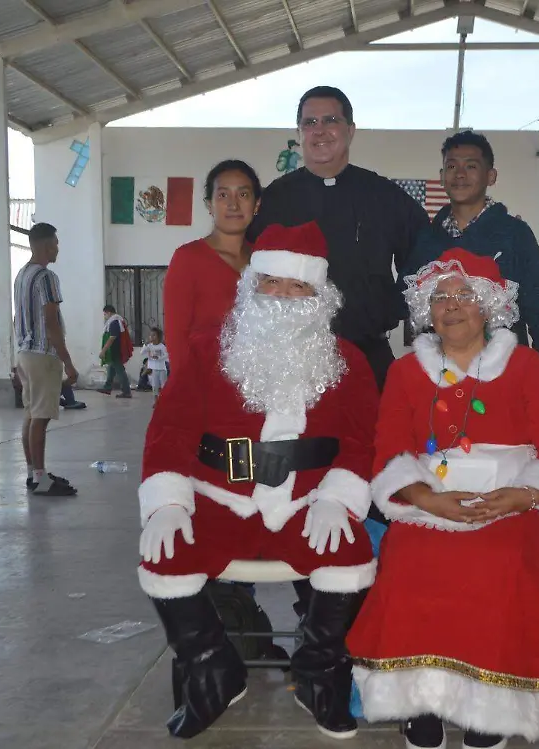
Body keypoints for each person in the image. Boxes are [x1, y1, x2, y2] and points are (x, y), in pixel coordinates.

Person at [347, 249, 539, 748]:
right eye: (440, 297)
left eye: (465, 295)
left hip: (514, 498)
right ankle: (421, 701)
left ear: (488, 306)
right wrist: (423, 498)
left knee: (504, 563)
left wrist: (525, 494)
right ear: (426, 310)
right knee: (410, 562)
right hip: (430, 498)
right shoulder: (403, 372)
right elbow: (389, 445)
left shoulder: (524, 365)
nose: (452, 305)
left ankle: (491, 705)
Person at [137, 222, 379, 740]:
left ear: (320, 295)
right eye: (271, 282)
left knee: (351, 557)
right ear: (251, 286)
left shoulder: (349, 361)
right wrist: (167, 503)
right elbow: (170, 432)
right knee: (164, 555)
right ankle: (212, 669)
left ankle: (317, 672)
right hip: (219, 501)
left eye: (298, 286)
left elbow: (362, 443)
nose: (284, 296)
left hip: (307, 504)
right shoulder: (206, 351)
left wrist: (339, 498)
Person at [250, 85, 429, 390]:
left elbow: (424, 257)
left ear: (351, 130)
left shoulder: (384, 196)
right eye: (310, 123)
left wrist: (391, 306)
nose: (319, 131)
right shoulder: (273, 200)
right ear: (299, 132)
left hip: (367, 352)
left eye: (330, 120)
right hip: (288, 358)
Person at [404, 130, 539, 373]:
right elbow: (407, 301)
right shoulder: (427, 238)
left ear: (491, 176)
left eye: (470, 166)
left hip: (502, 372)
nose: (459, 174)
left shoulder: (514, 234)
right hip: (442, 373)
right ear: (441, 176)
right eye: (451, 166)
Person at [163, 160, 261, 368]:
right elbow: (176, 340)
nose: (233, 205)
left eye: (243, 195)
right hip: (202, 387)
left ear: (256, 205)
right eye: (223, 195)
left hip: (257, 388)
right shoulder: (188, 259)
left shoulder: (265, 261)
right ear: (210, 205)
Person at [14, 223, 79, 497]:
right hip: (43, 354)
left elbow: (19, 317)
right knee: (41, 417)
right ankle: (40, 480)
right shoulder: (46, 277)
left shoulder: (21, 275)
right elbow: (51, 322)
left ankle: (33, 473)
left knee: (31, 414)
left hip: (25, 353)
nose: (57, 248)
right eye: (55, 243)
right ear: (43, 245)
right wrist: (68, 362)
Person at [99, 304, 133, 398]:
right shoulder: (116, 321)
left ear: (109, 313)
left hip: (115, 350)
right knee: (111, 368)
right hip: (114, 350)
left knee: (120, 370)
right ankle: (107, 387)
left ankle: (126, 391)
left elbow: (112, 337)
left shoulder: (114, 322)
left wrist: (103, 350)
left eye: (105, 314)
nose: (105, 316)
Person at [143, 327, 169, 399]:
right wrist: (145, 345)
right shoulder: (149, 346)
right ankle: (156, 401)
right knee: (154, 386)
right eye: (151, 335)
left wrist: (159, 358)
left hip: (162, 369)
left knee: (164, 385)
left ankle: (164, 399)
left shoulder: (162, 346)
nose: (152, 337)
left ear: (158, 337)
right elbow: (142, 352)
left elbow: (167, 355)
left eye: (154, 335)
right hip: (154, 370)